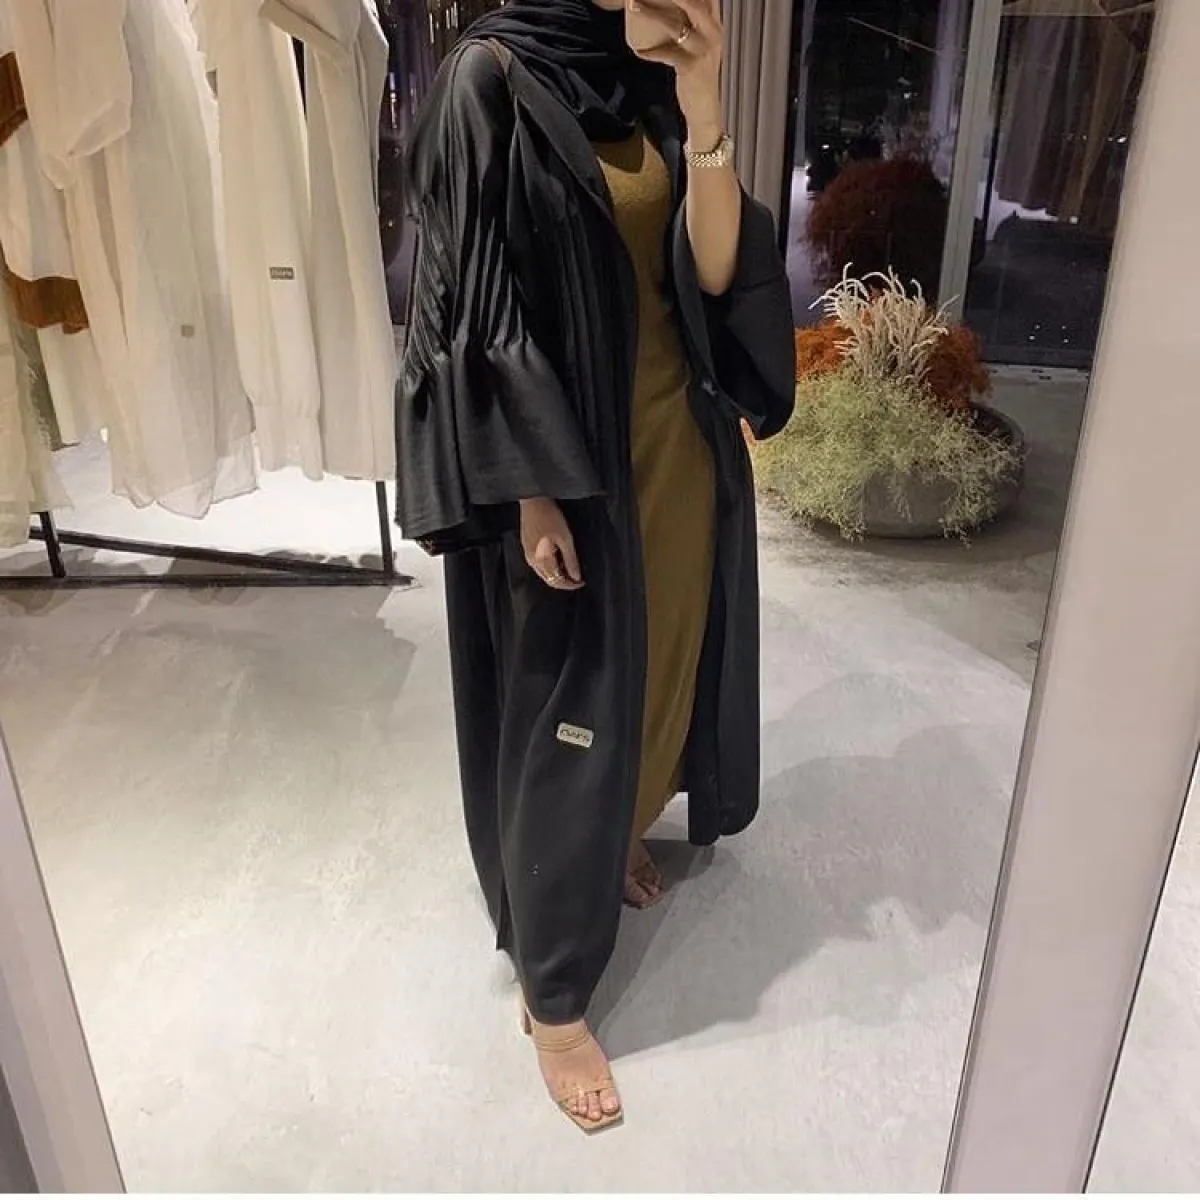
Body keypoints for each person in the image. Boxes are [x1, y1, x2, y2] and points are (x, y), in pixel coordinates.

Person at [396, 0, 794, 1132]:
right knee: (560, 712)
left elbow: (714, 273)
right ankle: (555, 996)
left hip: (676, 444)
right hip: (565, 470)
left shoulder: (645, 72)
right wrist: (529, 489)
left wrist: (705, 101)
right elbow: (465, 302)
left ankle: (617, 828)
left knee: (663, 657)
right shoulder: (488, 80)